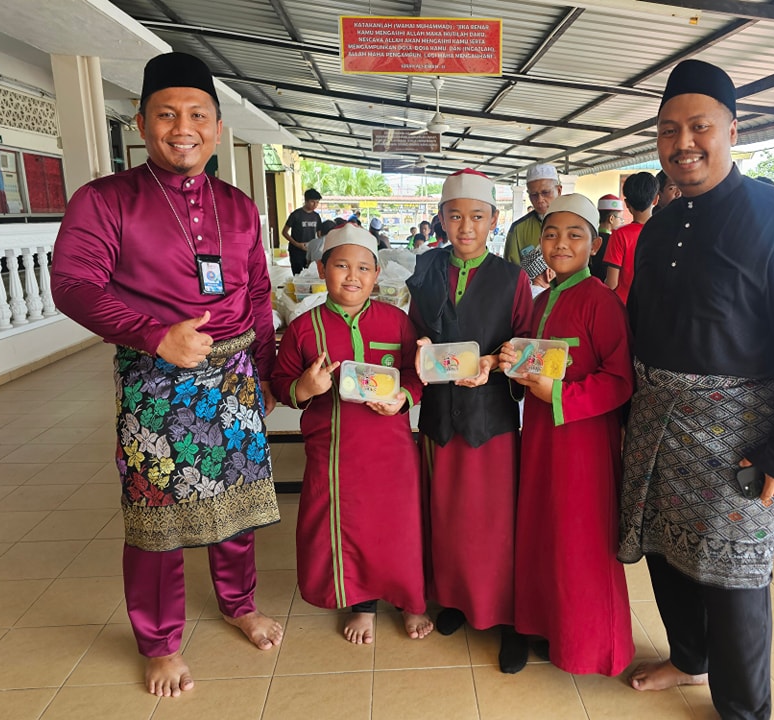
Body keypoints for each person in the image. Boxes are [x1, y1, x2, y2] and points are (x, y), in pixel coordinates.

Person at [50, 51, 282, 698]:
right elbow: (72, 284)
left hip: (234, 375)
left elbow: (259, 294)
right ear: (141, 121)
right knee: (158, 516)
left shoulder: (237, 205)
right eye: (167, 114)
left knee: (236, 506)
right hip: (155, 382)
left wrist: (263, 369)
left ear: (217, 125)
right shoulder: (104, 200)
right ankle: (158, 640)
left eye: (198, 115)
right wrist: (155, 335)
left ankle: (238, 604)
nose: (184, 128)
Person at [619, 59, 774, 719]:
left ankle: (744, 710)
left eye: (699, 126)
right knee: (665, 550)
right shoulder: (658, 227)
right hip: (659, 422)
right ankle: (690, 657)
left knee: (736, 578)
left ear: (732, 130)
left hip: (742, 434)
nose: (683, 141)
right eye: (668, 129)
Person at [271, 223, 433, 644]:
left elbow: (415, 378)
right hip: (335, 450)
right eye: (341, 265)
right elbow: (282, 383)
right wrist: (306, 388)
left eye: (363, 267)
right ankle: (362, 603)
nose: (352, 276)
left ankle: (411, 600)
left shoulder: (397, 322)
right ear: (322, 269)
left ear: (377, 274)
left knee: (399, 526)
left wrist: (405, 398)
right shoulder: (304, 328)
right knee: (349, 527)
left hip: (392, 448)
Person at [406, 168, 535, 674]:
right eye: (455, 216)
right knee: (449, 514)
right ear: (441, 219)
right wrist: (416, 346)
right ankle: (458, 600)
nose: (465, 227)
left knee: (496, 522)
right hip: (440, 415)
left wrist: (495, 362)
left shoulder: (512, 278)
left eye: (476, 217)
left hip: (492, 419)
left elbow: (524, 342)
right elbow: (414, 331)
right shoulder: (424, 270)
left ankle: (506, 619)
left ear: (493, 221)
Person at [500, 193, 635, 675]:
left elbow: (619, 380)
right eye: (551, 234)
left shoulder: (602, 302)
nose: (560, 243)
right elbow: (534, 364)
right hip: (539, 438)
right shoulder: (540, 303)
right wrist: (514, 370)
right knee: (542, 533)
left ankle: (593, 648)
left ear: (594, 245)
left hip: (583, 445)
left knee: (581, 541)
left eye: (574, 234)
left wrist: (558, 397)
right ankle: (546, 628)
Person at [603, 172, 659, 305]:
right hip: (653, 308)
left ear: (627, 204)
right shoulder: (664, 233)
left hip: (624, 307)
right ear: (656, 200)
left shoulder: (620, 235)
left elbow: (612, 283)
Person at [503, 164, 562, 265]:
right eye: (534, 195)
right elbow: (510, 272)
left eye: (545, 192)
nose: (540, 200)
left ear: (559, 190)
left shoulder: (576, 223)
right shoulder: (518, 229)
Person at [283, 188, 322, 275]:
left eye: (317, 202)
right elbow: (284, 232)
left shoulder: (316, 216)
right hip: (296, 251)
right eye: (312, 202)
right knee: (297, 275)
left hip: (310, 250)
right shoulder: (296, 215)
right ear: (306, 201)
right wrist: (297, 244)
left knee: (311, 274)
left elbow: (319, 234)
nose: (315, 205)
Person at [590, 194, 623, 282]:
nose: (621, 222)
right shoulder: (615, 242)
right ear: (611, 219)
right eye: (620, 219)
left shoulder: (589, 238)